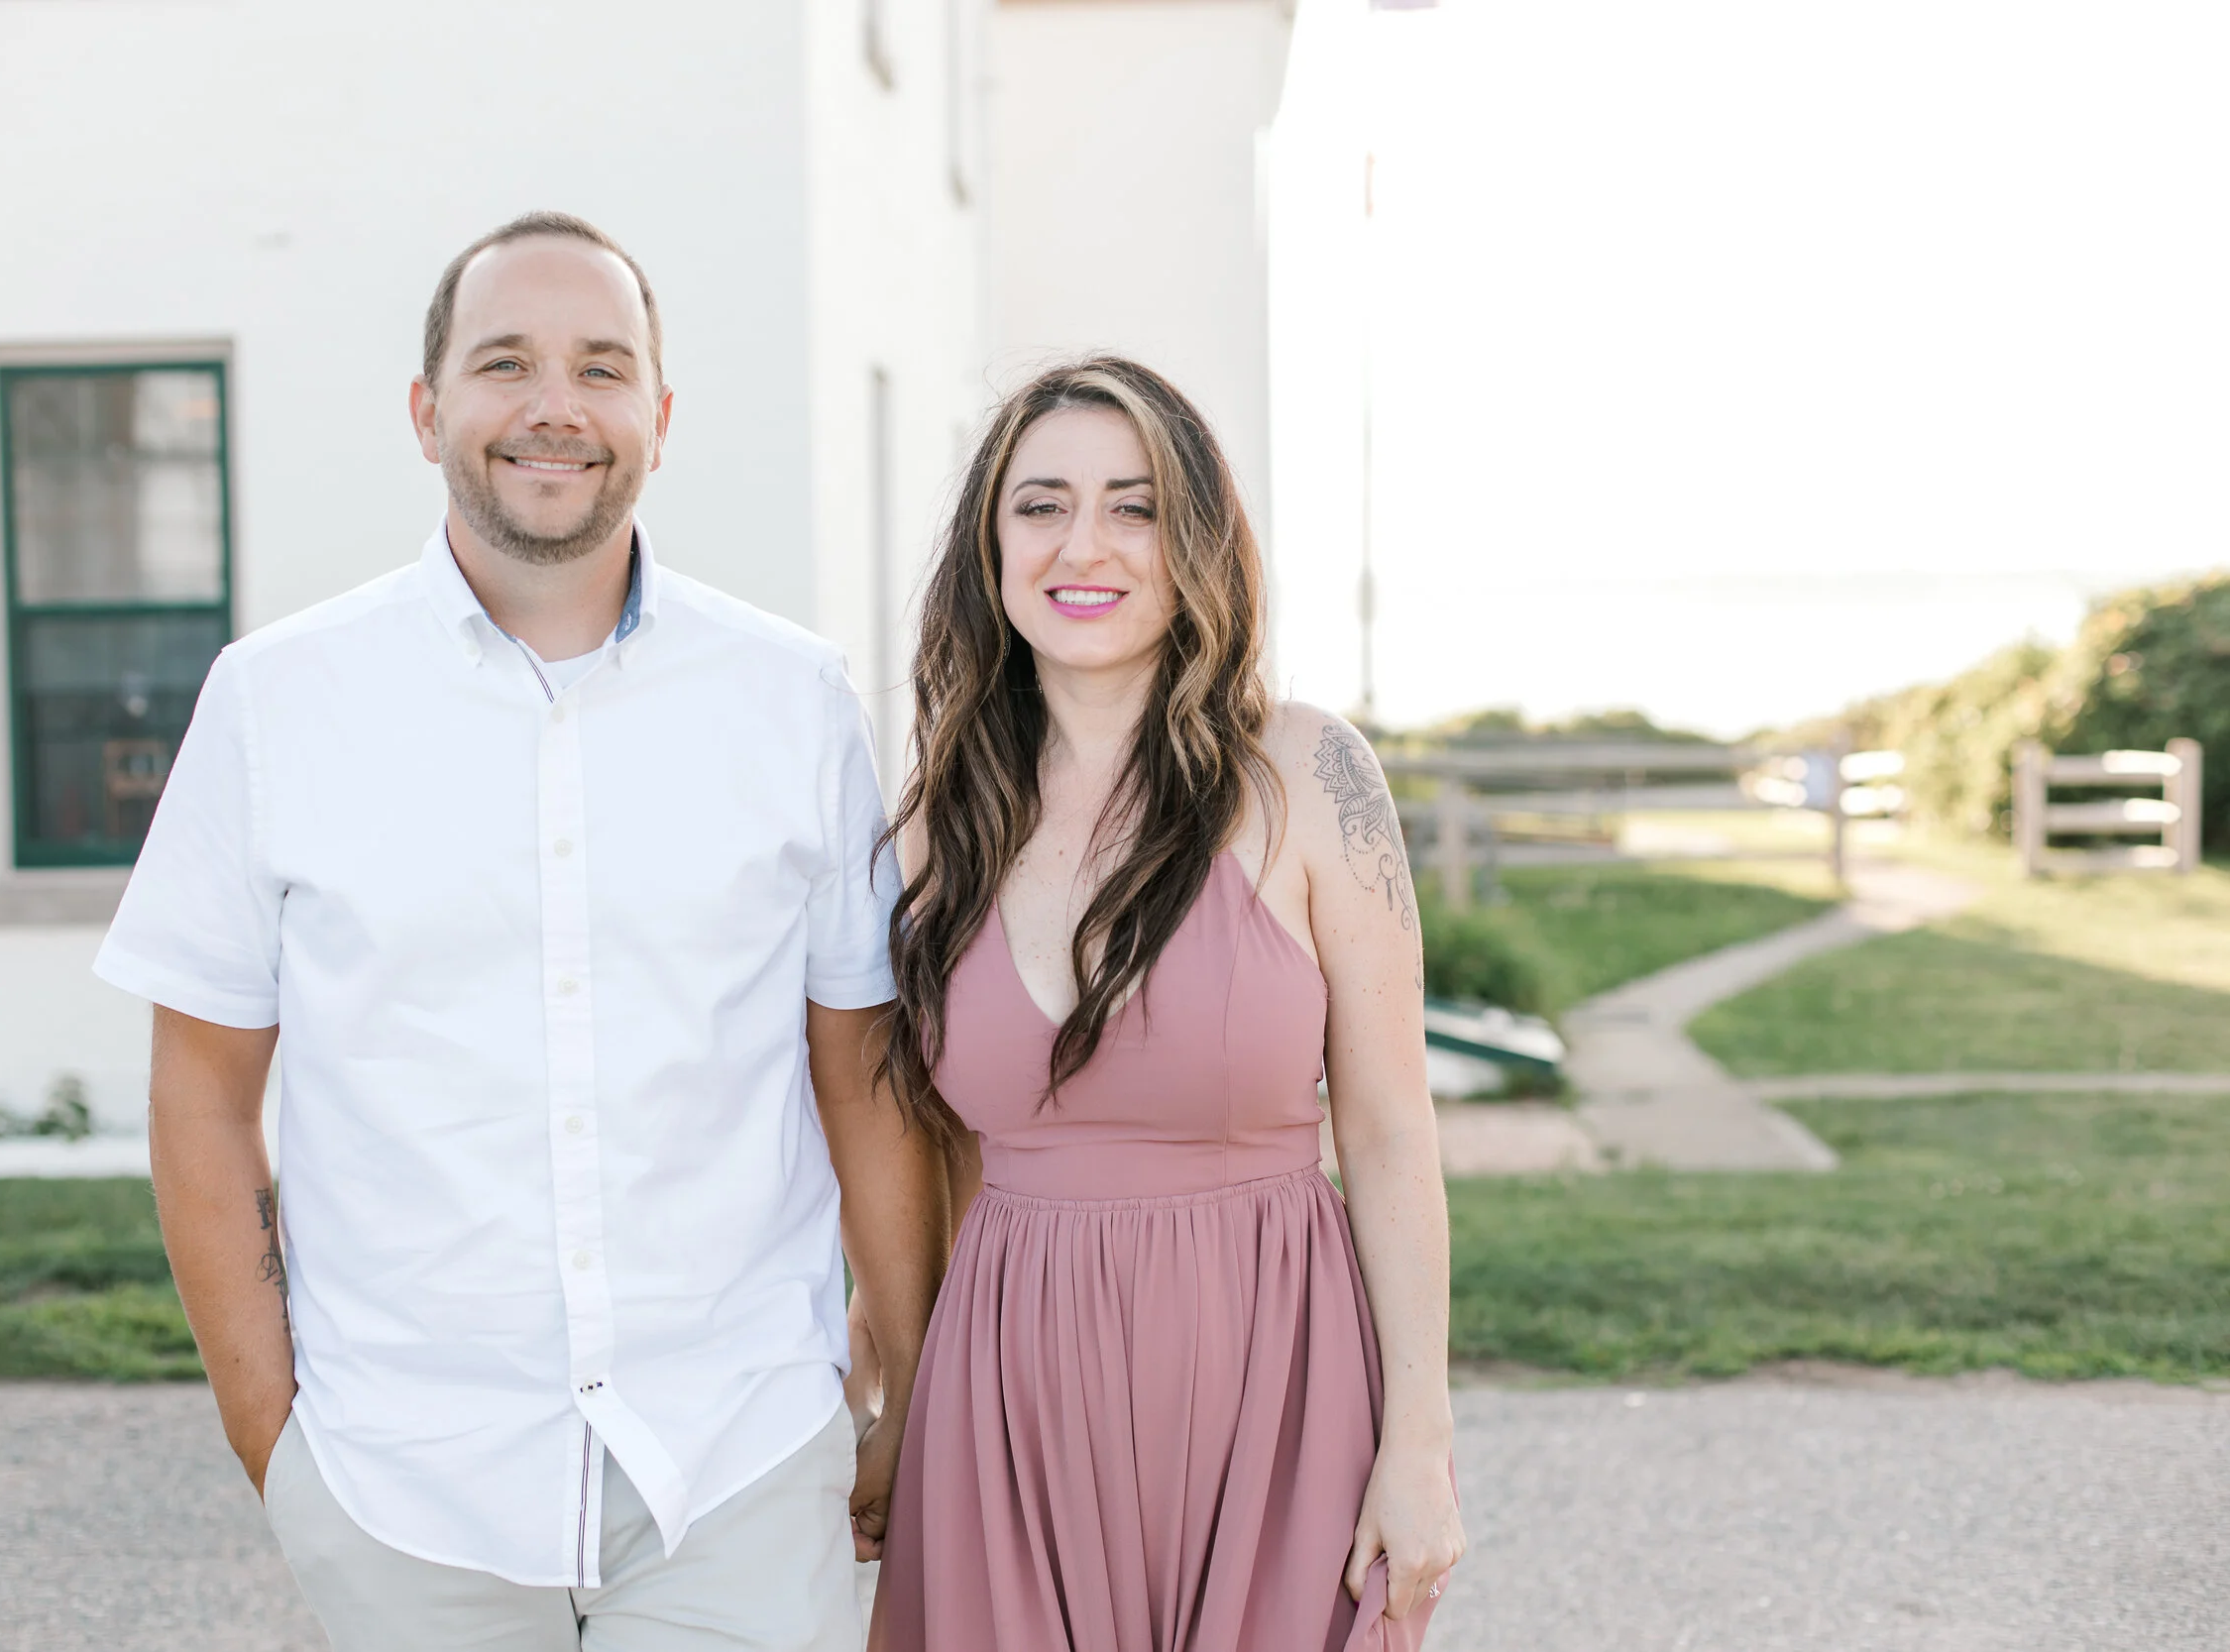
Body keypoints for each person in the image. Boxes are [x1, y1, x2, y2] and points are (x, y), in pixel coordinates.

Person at [95, 211, 944, 1652]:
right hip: (404, 1492)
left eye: (602, 367)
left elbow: (858, 1074)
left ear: (659, 419)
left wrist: (908, 1392)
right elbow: (203, 1092)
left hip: (731, 1464)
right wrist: (281, 1450)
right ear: (428, 410)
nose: (557, 405)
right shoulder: (275, 701)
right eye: (506, 363)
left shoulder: (792, 701)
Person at [861, 358, 1465, 1650]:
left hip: (1277, 1381)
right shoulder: (934, 822)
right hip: (1009, 1399)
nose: (1086, 544)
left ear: (1195, 540)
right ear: (989, 542)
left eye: (1133, 505)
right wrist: (894, 1392)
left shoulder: (1304, 770)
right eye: (1042, 505)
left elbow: (1392, 1128)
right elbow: (915, 1143)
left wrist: (1420, 1442)